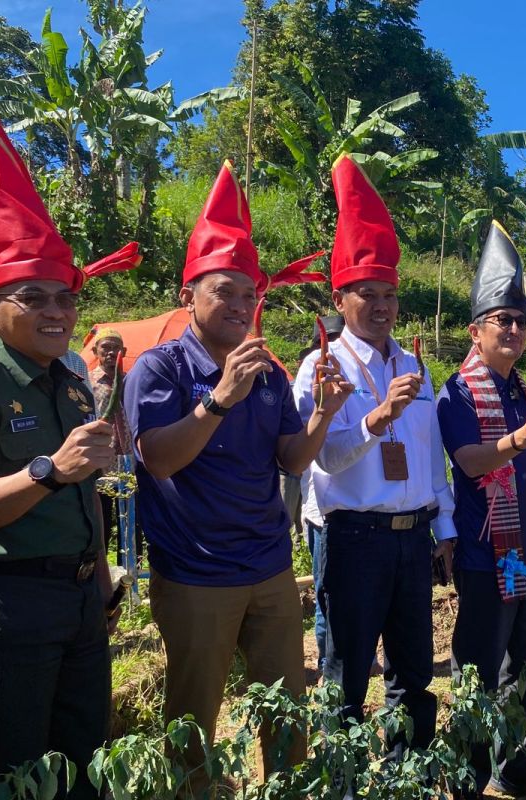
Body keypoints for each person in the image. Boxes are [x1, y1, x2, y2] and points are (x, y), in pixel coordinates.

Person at [0, 118, 139, 799]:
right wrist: (49, 469)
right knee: (9, 770)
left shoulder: (73, 387)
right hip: (7, 603)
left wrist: (101, 579)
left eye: (66, 296)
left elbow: (89, 500)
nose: (57, 311)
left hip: (77, 598)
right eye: (33, 297)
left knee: (81, 762)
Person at [124, 159, 348, 780]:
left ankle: (286, 791)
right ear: (187, 295)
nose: (241, 305)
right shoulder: (161, 369)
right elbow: (161, 458)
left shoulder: (270, 371)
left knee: (287, 720)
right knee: (194, 719)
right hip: (197, 574)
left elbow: (291, 460)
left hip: (271, 569)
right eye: (224, 290)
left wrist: (324, 415)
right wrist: (219, 397)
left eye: (250, 294)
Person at [305, 156, 455, 757]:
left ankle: (406, 774)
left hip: (411, 539)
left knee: (414, 674)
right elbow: (324, 462)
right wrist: (376, 419)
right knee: (345, 676)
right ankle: (343, 780)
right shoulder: (322, 367)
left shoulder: (414, 366)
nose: (382, 305)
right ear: (340, 299)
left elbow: (431, 456)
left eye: (390, 294)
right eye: (367, 294)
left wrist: (442, 528)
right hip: (352, 538)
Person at [437, 221, 526, 798]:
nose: (514, 329)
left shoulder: (519, 388)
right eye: (501, 320)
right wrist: (520, 441)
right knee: (481, 670)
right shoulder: (460, 391)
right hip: (492, 559)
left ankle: (517, 766)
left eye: (520, 320)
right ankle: (467, 778)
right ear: (475, 330)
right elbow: (468, 460)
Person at [292, 313, 344, 677]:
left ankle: (341, 660)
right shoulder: (313, 369)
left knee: (341, 593)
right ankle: (329, 666)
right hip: (321, 505)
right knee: (328, 593)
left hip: (342, 505)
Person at [89, 328, 131, 549]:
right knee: (103, 515)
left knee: (130, 517)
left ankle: (130, 570)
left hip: (128, 459)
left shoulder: (130, 380)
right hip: (102, 460)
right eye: (106, 347)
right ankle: (103, 569)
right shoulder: (88, 383)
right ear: (96, 350)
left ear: (124, 351)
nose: (112, 352)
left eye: (116, 348)